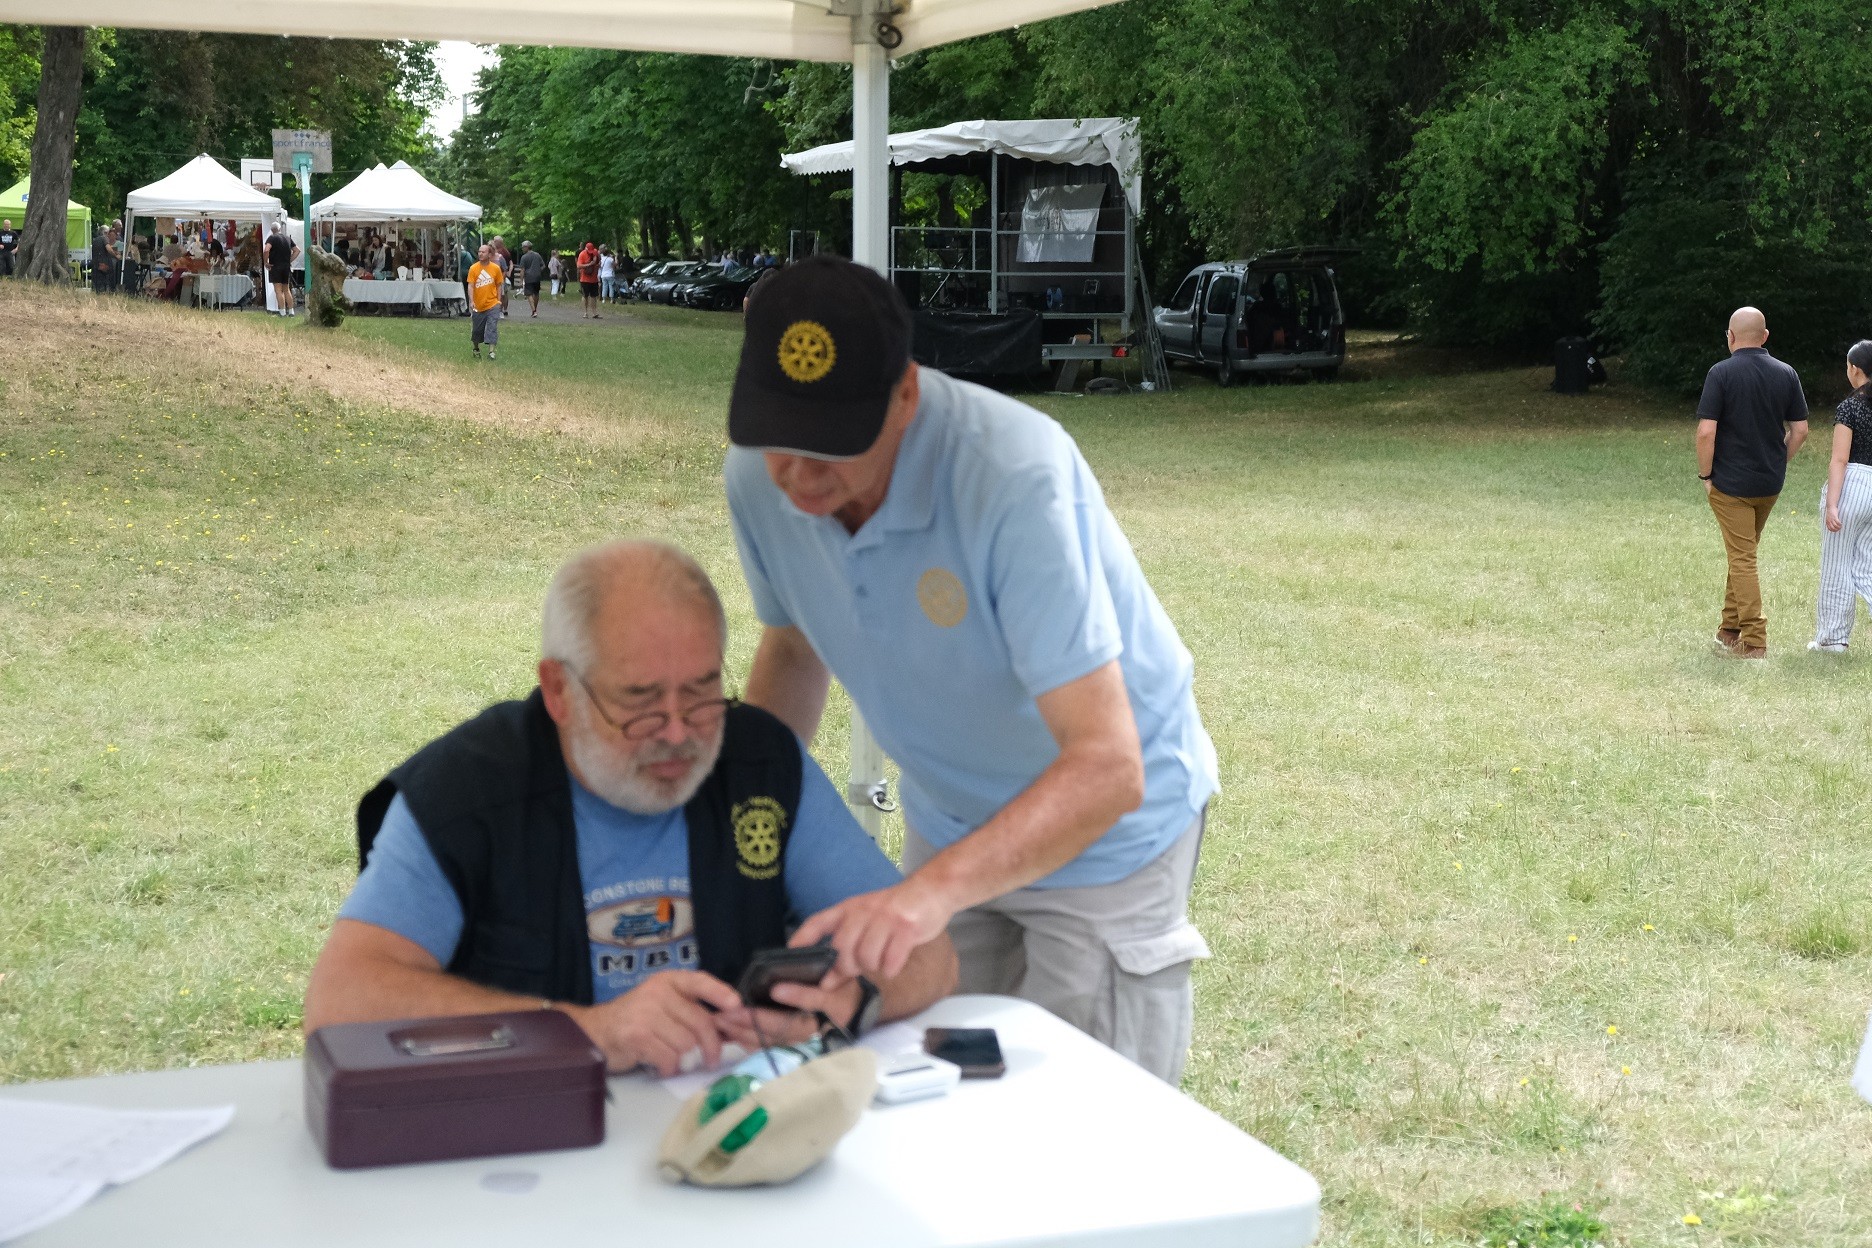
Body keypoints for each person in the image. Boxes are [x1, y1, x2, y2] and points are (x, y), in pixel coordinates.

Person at [724, 257, 1219, 1084]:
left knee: (1080, 1115)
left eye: (834, 444)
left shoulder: (1012, 474)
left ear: (907, 394)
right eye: (780, 437)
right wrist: (738, 816)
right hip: (950, 818)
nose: (801, 477)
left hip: (1104, 839)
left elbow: (1107, 768)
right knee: (936, 1088)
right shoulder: (756, 478)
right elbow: (794, 644)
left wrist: (923, 897)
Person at [302, 540, 955, 1075]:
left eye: (701, 694)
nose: (677, 733)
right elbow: (340, 1002)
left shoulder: (760, 768)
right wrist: (587, 1031)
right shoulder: (464, 796)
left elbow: (930, 953)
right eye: (640, 702)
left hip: (726, 1141)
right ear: (559, 691)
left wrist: (850, 1004)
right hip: (527, 1151)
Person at [1696, 306, 1810, 658]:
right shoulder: (1786, 372)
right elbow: (1800, 430)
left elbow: (1705, 432)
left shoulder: (1720, 373)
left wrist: (1706, 475)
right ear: (1765, 336)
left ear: (1730, 337)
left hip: (1730, 486)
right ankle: (1729, 630)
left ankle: (1755, 643)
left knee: (1742, 557)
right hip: (1770, 485)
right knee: (1742, 551)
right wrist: (1779, 461)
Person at [1810, 339, 1872, 652]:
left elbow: (1840, 459)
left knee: (1837, 565)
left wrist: (1832, 504)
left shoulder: (1850, 406)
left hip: (1855, 485)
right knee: (1866, 566)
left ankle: (1832, 640)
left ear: (1854, 369)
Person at [466, 243, 503, 360]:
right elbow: (471, 286)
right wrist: (471, 301)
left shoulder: (495, 268)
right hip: (478, 305)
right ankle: (476, 348)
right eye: (479, 252)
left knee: (492, 327)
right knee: (477, 330)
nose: (480, 254)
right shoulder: (474, 268)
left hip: (492, 304)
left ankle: (491, 352)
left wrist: (498, 301)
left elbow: (499, 285)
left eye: (483, 252)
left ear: (489, 254)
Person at [265, 221, 296, 317]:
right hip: (286, 267)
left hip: (276, 266)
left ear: (272, 230)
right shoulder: (287, 238)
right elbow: (297, 250)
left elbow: (266, 249)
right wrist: (289, 260)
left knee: (278, 290)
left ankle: (282, 312)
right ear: (279, 229)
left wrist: (266, 262)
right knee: (286, 290)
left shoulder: (272, 238)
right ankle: (291, 311)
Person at [518, 240, 546, 318]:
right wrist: (538, 270)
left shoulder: (524, 257)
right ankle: (535, 309)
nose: (522, 249)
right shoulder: (537, 255)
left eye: (523, 247)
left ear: (527, 247)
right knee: (536, 293)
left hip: (528, 277)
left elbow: (522, 269)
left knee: (528, 294)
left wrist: (521, 280)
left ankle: (534, 311)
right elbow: (543, 265)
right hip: (537, 277)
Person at [577, 240, 602, 319]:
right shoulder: (582, 254)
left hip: (594, 279)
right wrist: (588, 265)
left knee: (594, 296)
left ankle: (594, 313)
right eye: (589, 250)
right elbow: (579, 265)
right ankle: (585, 312)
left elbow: (599, 261)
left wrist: (598, 264)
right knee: (585, 296)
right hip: (584, 279)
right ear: (586, 248)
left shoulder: (595, 253)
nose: (591, 252)